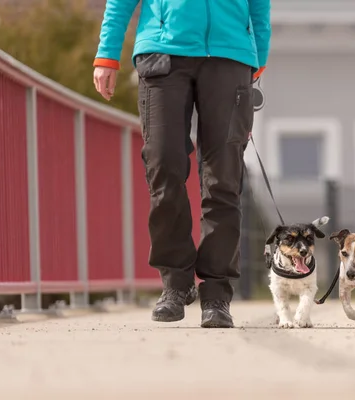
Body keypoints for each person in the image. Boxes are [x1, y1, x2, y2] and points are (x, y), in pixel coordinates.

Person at [93, 0, 271, 328]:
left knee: (223, 179)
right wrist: (107, 54)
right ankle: (176, 282)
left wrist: (257, 54)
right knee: (163, 164)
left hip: (229, 55)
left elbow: (260, 5)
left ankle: (216, 292)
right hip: (162, 52)